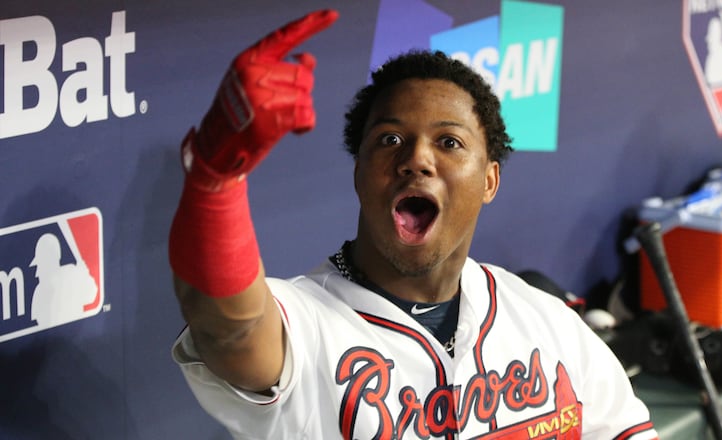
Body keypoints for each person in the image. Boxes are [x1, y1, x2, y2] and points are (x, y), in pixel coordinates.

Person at [168, 9, 658, 439]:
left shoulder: (546, 323)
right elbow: (231, 329)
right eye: (389, 140)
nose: (417, 159)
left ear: (489, 181)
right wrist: (215, 179)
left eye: (449, 142)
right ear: (359, 173)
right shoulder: (305, 326)